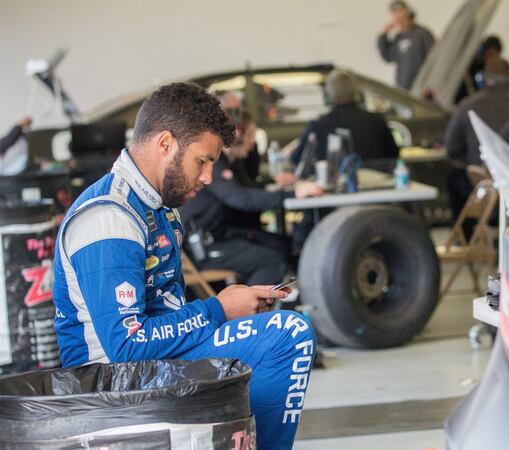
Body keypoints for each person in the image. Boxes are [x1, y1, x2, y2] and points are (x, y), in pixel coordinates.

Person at [52, 82, 315, 450]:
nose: (208, 177)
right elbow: (126, 345)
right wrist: (217, 309)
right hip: (108, 386)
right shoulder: (110, 218)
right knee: (288, 334)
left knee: (283, 329)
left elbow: (166, 316)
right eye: (202, 161)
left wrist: (224, 312)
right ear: (165, 144)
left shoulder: (158, 208)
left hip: (151, 365)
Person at [180, 111, 323, 285]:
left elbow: (244, 189)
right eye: (250, 136)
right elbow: (241, 198)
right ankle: (247, 310)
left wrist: (271, 182)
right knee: (271, 261)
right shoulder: (215, 165)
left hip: (218, 236)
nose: (252, 142)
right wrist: (293, 193)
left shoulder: (229, 162)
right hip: (203, 247)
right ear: (236, 137)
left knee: (282, 245)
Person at [444, 58, 509, 232]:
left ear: (481, 79)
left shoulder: (467, 106)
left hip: (483, 185)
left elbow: (451, 149)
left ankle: (464, 237)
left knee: (454, 179)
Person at [291, 69, 399, 164]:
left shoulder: (317, 126)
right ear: (355, 91)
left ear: (328, 94)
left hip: (333, 185)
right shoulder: (376, 121)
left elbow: (295, 159)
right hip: (378, 184)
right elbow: (395, 155)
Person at [377, 0, 435, 90]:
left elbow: (433, 59)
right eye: (395, 13)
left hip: (421, 87)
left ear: (407, 12)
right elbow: (387, 57)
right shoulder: (398, 37)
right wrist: (383, 35)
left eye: (400, 12)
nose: (398, 16)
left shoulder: (423, 33)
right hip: (402, 89)